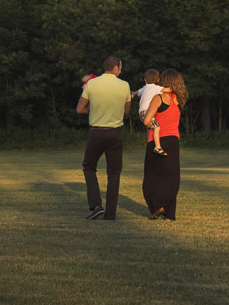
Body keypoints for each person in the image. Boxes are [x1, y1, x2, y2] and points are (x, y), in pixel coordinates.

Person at [76, 55, 130, 220]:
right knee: (114, 173)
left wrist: (94, 111)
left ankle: (96, 205)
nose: (120, 70)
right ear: (115, 68)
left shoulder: (91, 84)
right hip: (115, 133)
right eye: (120, 68)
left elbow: (80, 109)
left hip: (96, 132)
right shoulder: (124, 85)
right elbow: (126, 111)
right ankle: (111, 214)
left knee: (89, 167)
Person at [141, 68, 187, 221]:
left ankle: (157, 205)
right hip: (173, 141)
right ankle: (170, 214)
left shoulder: (159, 98)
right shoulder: (179, 100)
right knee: (171, 177)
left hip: (157, 140)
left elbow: (147, 121)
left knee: (151, 178)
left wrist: (145, 120)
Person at [134, 69, 167, 155]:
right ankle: (158, 147)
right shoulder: (156, 88)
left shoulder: (144, 88)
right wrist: (174, 88)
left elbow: (137, 92)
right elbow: (167, 90)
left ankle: (155, 145)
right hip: (146, 113)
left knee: (153, 128)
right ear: (158, 80)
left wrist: (132, 94)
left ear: (145, 80)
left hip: (141, 113)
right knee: (157, 127)